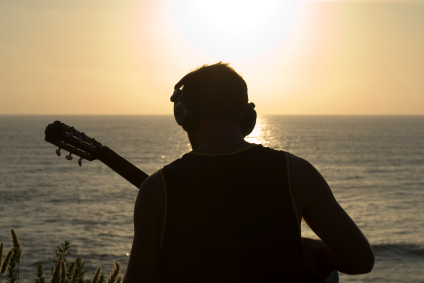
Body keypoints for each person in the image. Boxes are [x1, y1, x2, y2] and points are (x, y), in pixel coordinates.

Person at [123, 62, 374, 283]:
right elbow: (361, 260)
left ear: (185, 113)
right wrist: (300, 247)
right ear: (245, 114)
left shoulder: (158, 188)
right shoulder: (296, 173)